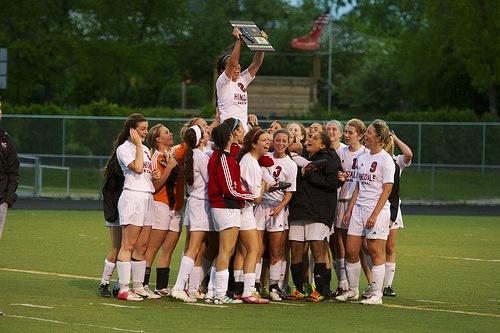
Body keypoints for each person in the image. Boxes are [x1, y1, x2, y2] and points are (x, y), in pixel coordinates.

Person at [335, 119, 395, 305]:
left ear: (378, 137)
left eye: (368, 133)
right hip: (358, 210)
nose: (366, 136)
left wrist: (375, 215)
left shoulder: (386, 160)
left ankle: (377, 294)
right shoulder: (362, 157)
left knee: (376, 251)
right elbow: (358, 187)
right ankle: (353, 290)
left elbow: (387, 190)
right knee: (351, 250)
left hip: (376, 211)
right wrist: (349, 211)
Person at [288, 132, 343, 302]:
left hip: (319, 212)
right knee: (296, 249)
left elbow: (333, 183)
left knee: (318, 249)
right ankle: (300, 287)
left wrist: (309, 173)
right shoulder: (301, 158)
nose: (309, 139)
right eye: (309, 137)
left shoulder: (329, 158)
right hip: (299, 209)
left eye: (315, 138)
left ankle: (322, 290)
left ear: (323, 145)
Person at [207, 118, 253, 304]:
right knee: (226, 251)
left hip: (225, 207)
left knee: (224, 251)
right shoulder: (224, 157)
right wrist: (251, 196)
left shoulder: (223, 156)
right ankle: (219, 294)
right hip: (226, 207)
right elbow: (229, 189)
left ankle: (212, 292)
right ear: (228, 136)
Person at [114, 114, 159, 301]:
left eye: (146, 128)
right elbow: (138, 168)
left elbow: (145, 172)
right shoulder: (124, 148)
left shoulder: (146, 149)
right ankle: (124, 289)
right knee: (128, 245)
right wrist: (139, 146)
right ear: (132, 130)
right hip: (133, 196)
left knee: (142, 246)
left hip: (147, 196)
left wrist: (154, 174)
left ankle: (138, 286)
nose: (145, 132)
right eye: (142, 129)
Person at [171, 125, 213, 302]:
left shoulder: (191, 154)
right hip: (200, 204)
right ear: (200, 139)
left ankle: (192, 288)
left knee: (196, 247)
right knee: (194, 247)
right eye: (204, 133)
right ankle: (179, 287)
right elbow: (210, 180)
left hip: (194, 203)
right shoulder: (200, 156)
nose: (207, 134)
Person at [254, 129, 297, 301]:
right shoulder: (265, 158)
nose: (280, 143)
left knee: (276, 250)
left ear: (288, 142)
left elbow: (290, 192)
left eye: (284, 141)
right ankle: (255, 284)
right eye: (277, 140)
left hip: (277, 210)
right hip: (261, 206)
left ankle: (274, 287)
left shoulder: (291, 164)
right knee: (256, 248)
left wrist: (280, 207)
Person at [233, 126, 271, 304]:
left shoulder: (249, 160)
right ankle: (248, 290)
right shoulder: (251, 163)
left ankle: (238, 289)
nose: (267, 144)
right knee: (254, 249)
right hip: (245, 210)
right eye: (264, 141)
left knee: (243, 251)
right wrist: (264, 185)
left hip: (241, 209)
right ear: (254, 144)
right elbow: (256, 199)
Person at [142, 124, 180, 297]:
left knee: (169, 248)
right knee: (152, 248)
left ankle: (162, 286)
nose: (170, 133)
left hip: (175, 207)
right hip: (161, 204)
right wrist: (170, 167)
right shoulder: (156, 157)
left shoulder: (172, 153)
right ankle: (142, 285)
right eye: (166, 132)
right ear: (158, 139)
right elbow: (155, 186)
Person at [331, 119, 367, 296]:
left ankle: (373, 284)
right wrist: (339, 176)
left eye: (350, 132)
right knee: (340, 243)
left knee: (362, 246)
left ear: (360, 135)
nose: (346, 135)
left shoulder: (365, 153)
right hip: (342, 200)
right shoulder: (341, 151)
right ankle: (344, 283)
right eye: (345, 132)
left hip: (360, 203)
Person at [216, 27, 266, 131]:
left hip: (243, 131)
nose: (237, 67)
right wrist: (239, 40)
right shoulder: (222, 81)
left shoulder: (241, 79)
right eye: (231, 67)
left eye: (239, 65)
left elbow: (256, 64)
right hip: (228, 130)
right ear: (222, 71)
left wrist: (261, 44)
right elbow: (233, 63)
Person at [382, 130, 413, 297]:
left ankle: (387, 285)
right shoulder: (372, 157)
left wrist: (395, 138)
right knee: (371, 248)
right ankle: (374, 282)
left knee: (390, 246)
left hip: (393, 209)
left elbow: (408, 154)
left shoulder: (396, 161)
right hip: (373, 208)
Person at [98, 150, 124, 297]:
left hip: (129, 212)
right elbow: (108, 195)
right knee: (116, 249)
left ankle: (120, 284)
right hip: (116, 214)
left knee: (128, 250)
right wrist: (112, 215)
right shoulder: (115, 174)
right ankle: (104, 283)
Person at [0, 101, 19, 241]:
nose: (0, 112)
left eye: (0, 109)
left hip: (1, 199)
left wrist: (8, 199)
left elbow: (13, 171)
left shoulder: (6, 141)